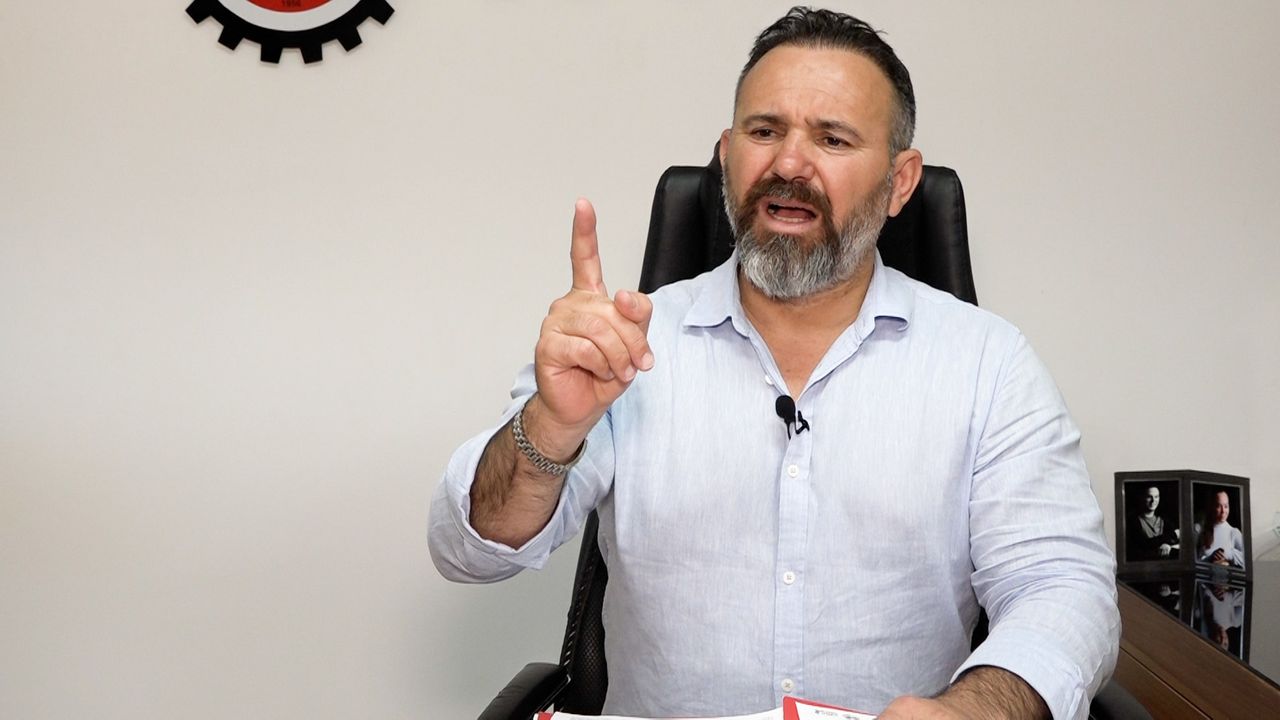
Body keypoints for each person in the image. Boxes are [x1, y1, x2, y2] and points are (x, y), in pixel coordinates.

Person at [429, 8, 1118, 720]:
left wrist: (976, 711)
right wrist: (550, 428)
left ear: (901, 181)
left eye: (833, 138)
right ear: (727, 155)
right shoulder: (624, 345)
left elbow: (1063, 587)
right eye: (764, 132)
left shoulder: (988, 365)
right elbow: (468, 552)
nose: (789, 164)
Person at [1127, 485, 1179, 561]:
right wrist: (1172, 535)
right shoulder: (1133, 521)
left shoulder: (1164, 520)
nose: (1153, 501)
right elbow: (1142, 545)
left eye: (1156, 497)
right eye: (1149, 497)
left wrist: (1169, 546)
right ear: (1142, 498)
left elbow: (1180, 541)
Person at [1197, 490, 1246, 569]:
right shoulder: (1199, 529)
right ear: (1212, 507)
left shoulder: (1233, 532)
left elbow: (1248, 560)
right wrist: (1210, 558)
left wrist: (1228, 554)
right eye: (1219, 506)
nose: (1223, 511)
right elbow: (1192, 563)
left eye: (1226, 506)